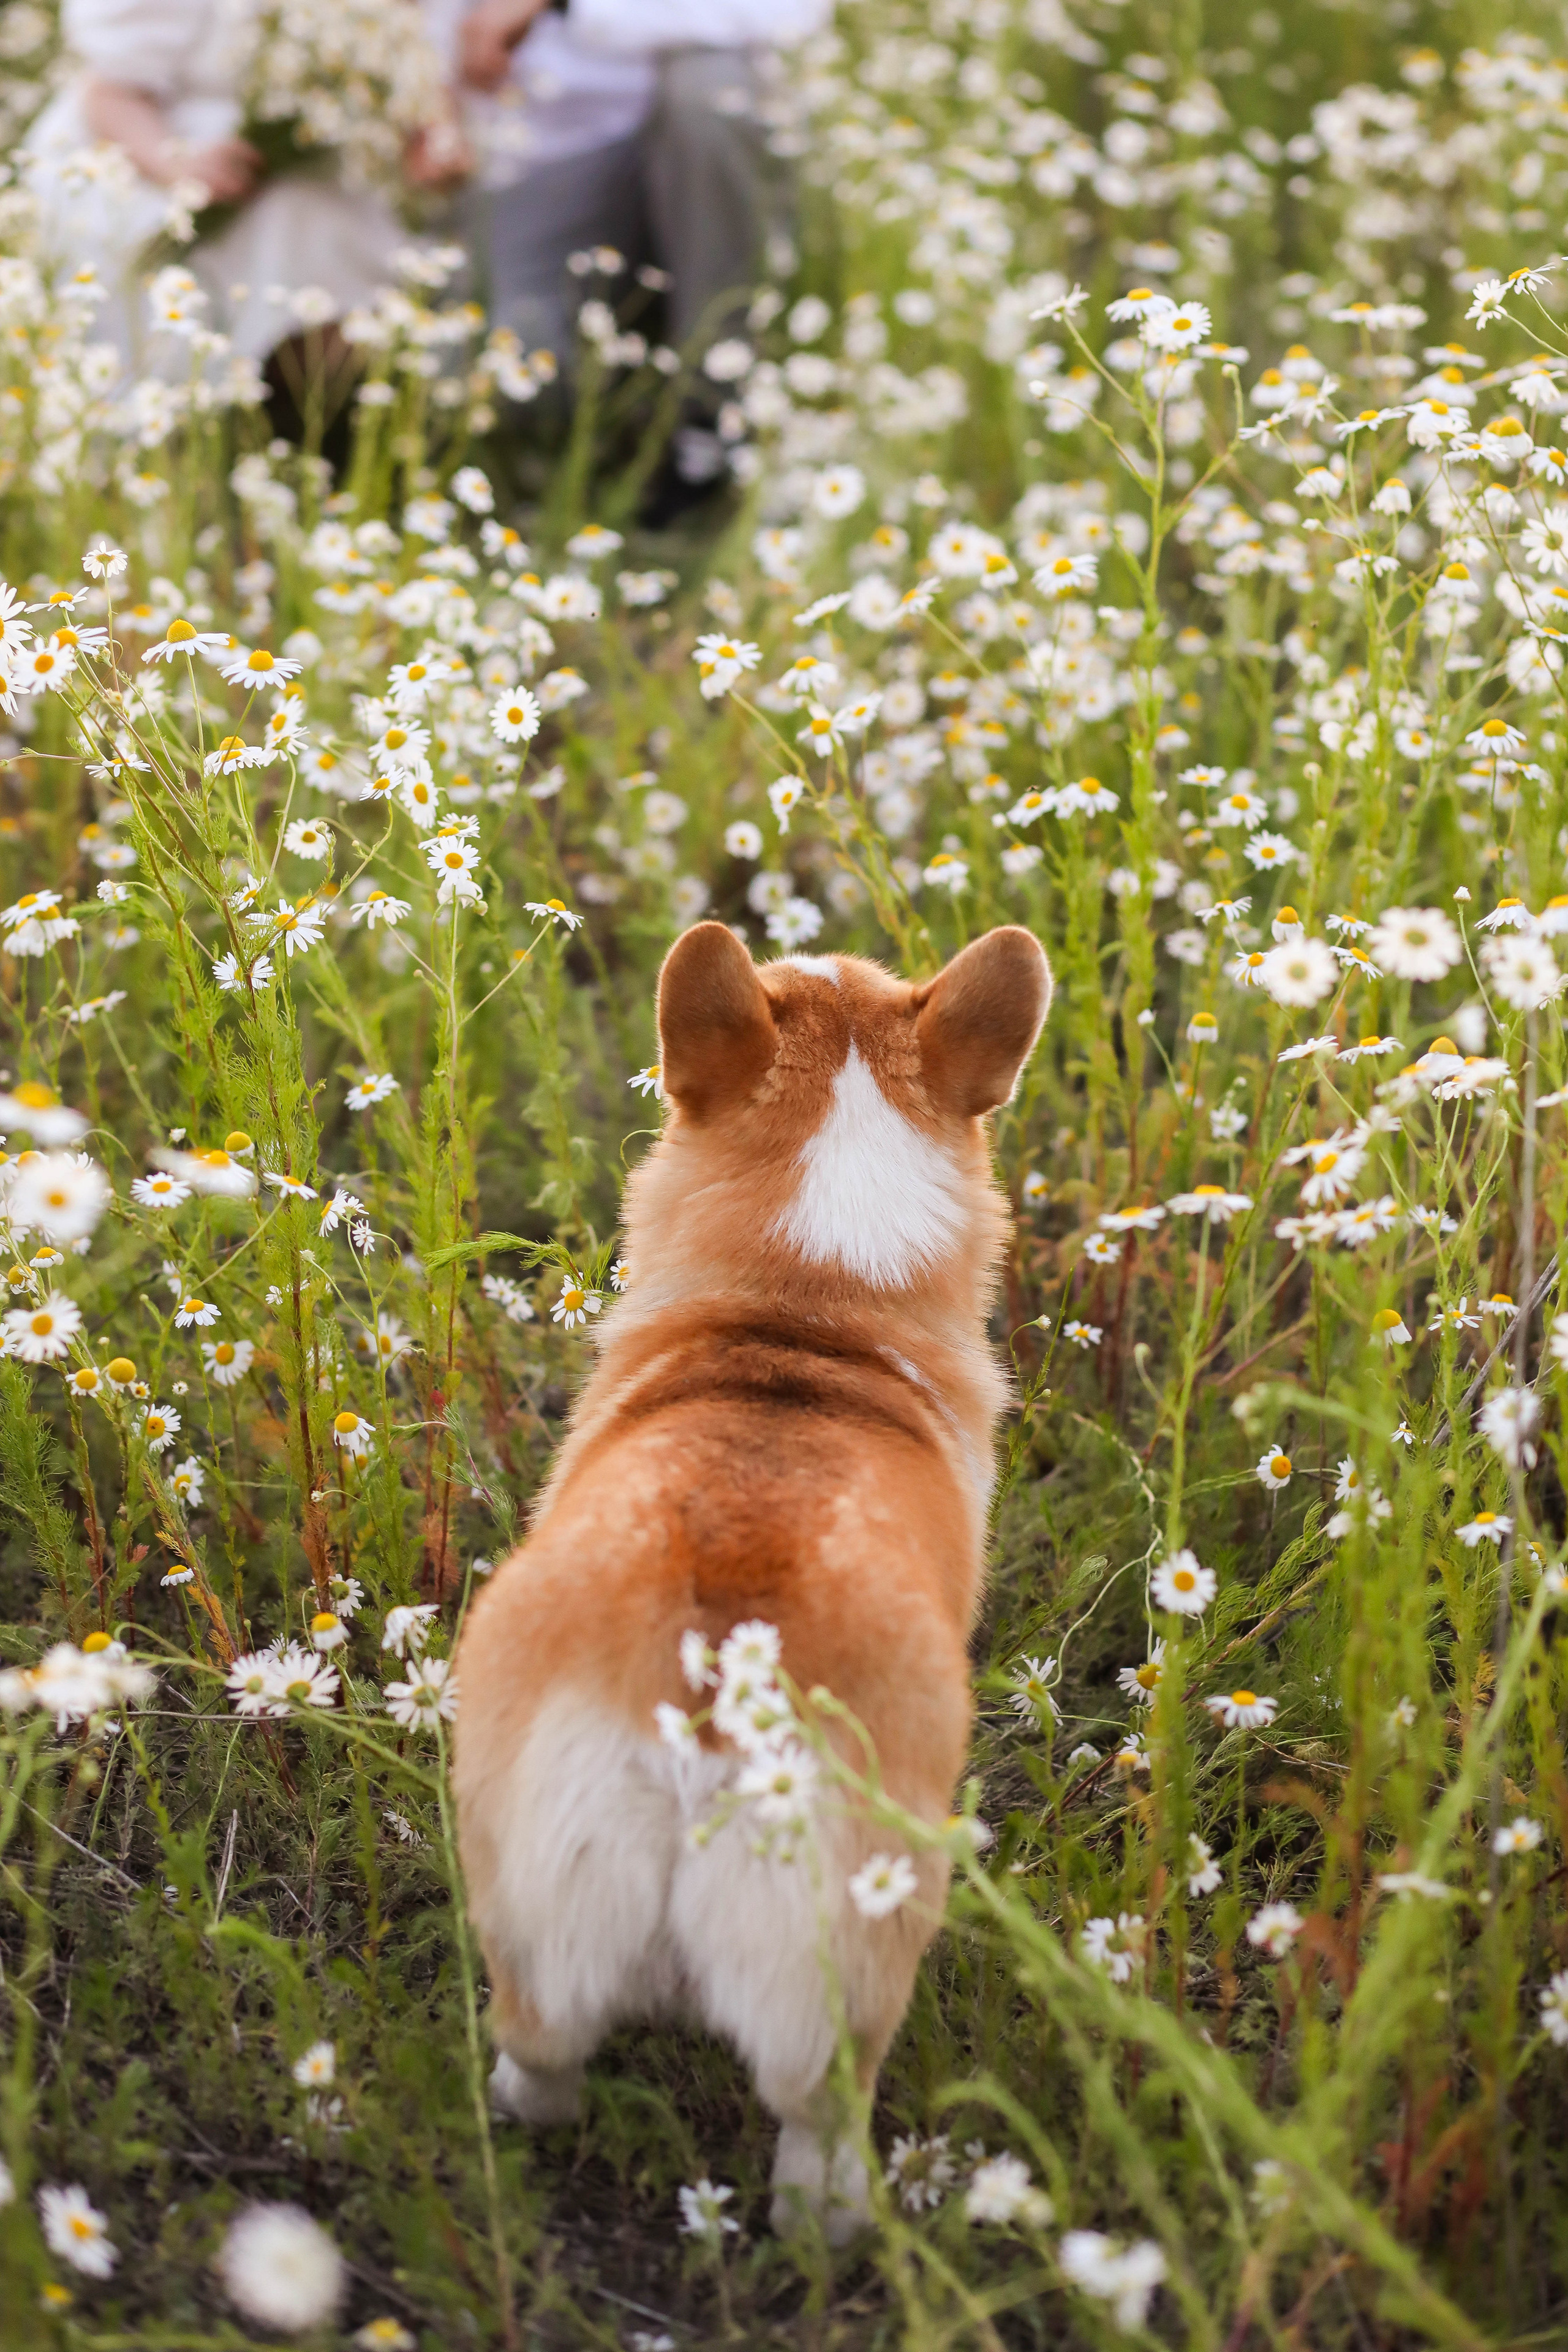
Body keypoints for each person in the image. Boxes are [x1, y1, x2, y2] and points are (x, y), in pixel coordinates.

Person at [20, 0, 458, 375]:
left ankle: (339, 432)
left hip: (311, 161)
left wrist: (432, 134)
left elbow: (410, 53)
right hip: (149, 148)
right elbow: (109, 88)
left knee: (336, 265)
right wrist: (175, 163)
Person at [428, 0, 831, 370]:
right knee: (485, 368)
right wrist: (434, 97)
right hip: (546, 143)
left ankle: (717, 415)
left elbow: (793, 12)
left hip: (691, 129)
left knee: (712, 102)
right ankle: (630, 392)